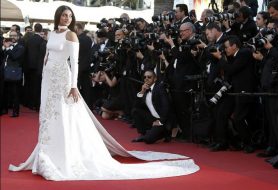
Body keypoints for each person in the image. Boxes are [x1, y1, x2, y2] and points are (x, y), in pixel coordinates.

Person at [8, 5, 199, 181]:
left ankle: (63, 156)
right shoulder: (51, 34)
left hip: (64, 80)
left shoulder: (71, 35)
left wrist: (74, 86)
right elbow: (47, 56)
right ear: (58, 16)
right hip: (49, 80)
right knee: (48, 117)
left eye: (70, 16)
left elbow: (73, 62)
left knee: (63, 116)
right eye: (64, 15)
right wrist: (45, 77)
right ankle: (46, 154)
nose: (67, 18)